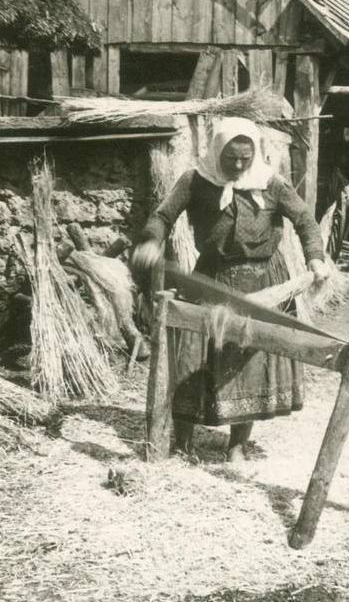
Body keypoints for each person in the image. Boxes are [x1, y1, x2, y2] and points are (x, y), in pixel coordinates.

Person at [131, 118, 329, 462]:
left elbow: (305, 221)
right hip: (213, 278)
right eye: (230, 158)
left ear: (255, 154)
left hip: (265, 280)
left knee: (250, 361)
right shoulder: (196, 181)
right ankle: (184, 441)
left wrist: (315, 258)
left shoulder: (271, 183)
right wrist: (150, 241)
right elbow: (162, 217)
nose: (238, 165)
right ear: (217, 151)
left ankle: (237, 444)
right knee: (194, 357)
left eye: (245, 159)